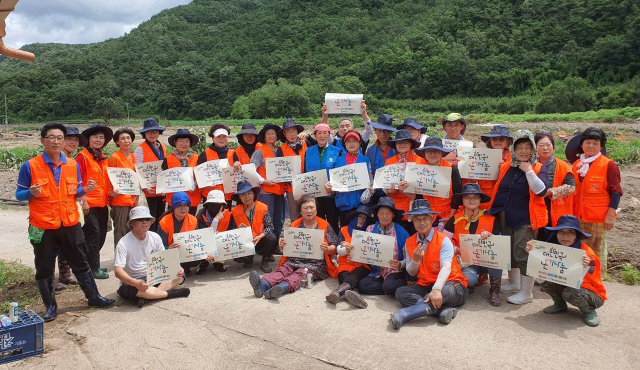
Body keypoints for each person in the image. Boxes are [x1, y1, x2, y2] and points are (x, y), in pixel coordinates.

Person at [16, 122, 114, 321]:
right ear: (42, 140)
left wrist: (85, 190)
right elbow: (19, 194)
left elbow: (75, 192)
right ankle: (51, 306)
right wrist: (30, 192)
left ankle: (94, 297)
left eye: (60, 138)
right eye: (52, 137)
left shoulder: (72, 165)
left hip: (69, 222)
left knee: (80, 261)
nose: (56, 141)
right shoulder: (30, 166)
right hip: (43, 225)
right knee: (44, 267)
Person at [488, 130, 549, 305]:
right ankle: (514, 283)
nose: (523, 151)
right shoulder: (507, 165)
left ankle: (526, 292)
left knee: (524, 253)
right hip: (505, 215)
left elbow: (542, 191)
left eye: (527, 147)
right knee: (509, 251)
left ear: (532, 149)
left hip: (526, 219)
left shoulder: (538, 167)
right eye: (519, 147)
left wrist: (529, 171)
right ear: (514, 149)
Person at [391, 199, 468, 329]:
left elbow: (446, 267)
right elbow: (412, 272)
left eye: (425, 218)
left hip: (451, 284)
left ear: (432, 219)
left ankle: (404, 314)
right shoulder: (409, 242)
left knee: (442, 292)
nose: (422, 223)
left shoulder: (444, 240)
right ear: (412, 220)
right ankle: (441, 311)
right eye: (417, 219)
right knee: (400, 292)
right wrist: (415, 259)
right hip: (426, 284)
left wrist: (437, 289)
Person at [248, 195, 339, 299]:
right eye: (305, 208)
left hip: (315, 264)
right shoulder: (294, 225)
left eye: (312, 207)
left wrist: (327, 249)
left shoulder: (324, 225)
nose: (309, 211)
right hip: (294, 259)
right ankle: (263, 285)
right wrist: (283, 244)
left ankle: (281, 288)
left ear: (316, 209)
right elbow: (288, 247)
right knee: (284, 269)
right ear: (300, 211)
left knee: (300, 274)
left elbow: (335, 247)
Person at [525, 215, 607, 326]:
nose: (565, 236)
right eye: (561, 231)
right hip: (566, 284)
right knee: (542, 279)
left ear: (577, 235)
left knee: (570, 292)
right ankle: (559, 304)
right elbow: (540, 266)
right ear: (556, 234)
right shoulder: (553, 249)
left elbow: (592, 271)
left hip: (591, 292)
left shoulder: (586, 252)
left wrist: (586, 265)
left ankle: (589, 311)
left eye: (570, 232)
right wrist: (533, 251)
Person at [569, 127, 622, 278]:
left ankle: (596, 283)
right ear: (582, 145)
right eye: (588, 142)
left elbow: (616, 192)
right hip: (578, 216)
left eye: (595, 143)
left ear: (601, 146)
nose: (591, 146)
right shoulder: (577, 165)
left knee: (597, 252)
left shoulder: (608, 165)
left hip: (598, 218)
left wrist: (610, 217)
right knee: (580, 250)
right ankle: (580, 281)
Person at [115, 206, 190, 308]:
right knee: (132, 289)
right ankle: (169, 294)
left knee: (180, 275)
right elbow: (118, 271)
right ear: (131, 223)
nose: (145, 222)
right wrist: (135, 282)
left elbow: (164, 258)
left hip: (155, 277)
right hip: (135, 279)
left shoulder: (155, 236)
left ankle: (148, 296)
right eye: (140, 220)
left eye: (147, 219)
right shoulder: (123, 243)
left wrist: (177, 268)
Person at [445, 183, 502, 306]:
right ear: (462, 200)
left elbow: (500, 245)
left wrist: (491, 237)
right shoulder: (454, 219)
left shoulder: (491, 219)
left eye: (475, 197)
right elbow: (444, 242)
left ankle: (495, 291)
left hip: (487, 260)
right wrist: (457, 250)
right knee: (469, 279)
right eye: (468, 197)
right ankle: (472, 281)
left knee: (498, 261)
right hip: (466, 261)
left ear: (480, 200)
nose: (472, 200)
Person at [76, 124, 113, 279]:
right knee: (93, 236)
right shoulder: (83, 156)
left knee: (102, 235)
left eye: (101, 137)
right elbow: (77, 181)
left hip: (102, 203)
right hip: (89, 203)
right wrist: (83, 201)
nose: (98, 140)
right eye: (95, 137)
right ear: (88, 140)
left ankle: (94, 263)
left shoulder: (101, 157)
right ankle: (92, 268)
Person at [52, 126, 86, 290]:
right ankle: (50, 280)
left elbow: (76, 187)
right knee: (53, 246)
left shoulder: (71, 162)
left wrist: (83, 198)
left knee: (66, 243)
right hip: (53, 211)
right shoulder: (55, 160)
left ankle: (65, 274)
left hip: (69, 209)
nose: (73, 142)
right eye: (69, 139)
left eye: (76, 140)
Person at [357, 197, 410, 297]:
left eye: (388, 213)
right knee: (362, 285)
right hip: (377, 271)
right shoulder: (370, 229)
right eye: (381, 213)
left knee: (389, 286)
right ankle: (387, 289)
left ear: (393, 215)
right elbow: (365, 251)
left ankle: (391, 287)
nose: (384, 216)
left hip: (394, 271)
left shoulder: (401, 232)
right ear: (377, 214)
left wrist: (400, 264)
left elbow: (409, 258)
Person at [327, 205, 373, 308]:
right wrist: (345, 249)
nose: (361, 220)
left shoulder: (369, 233)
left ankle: (338, 292)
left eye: (365, 218)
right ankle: (355, 294)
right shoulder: (344, 230)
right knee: (342, 276)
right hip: (345, 263)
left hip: (362, 264)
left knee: (355, 275)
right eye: (360, 217)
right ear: (355, 217)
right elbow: (338, 249)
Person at [229, 180, 277, 272]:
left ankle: (265, 261)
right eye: (243, 195)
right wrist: (238, 229)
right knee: (243, 261)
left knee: (272, 237)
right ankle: (248, 259)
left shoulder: (263, 207)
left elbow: (270, 227)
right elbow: (231, 230)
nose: (247, 197)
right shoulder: (235, 211)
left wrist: (260, 236)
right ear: (239, 197)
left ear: (254, 194)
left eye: (249, 193)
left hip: (260, 240)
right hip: (245, 242)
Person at [535, 131, 575, 241]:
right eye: (541, 145)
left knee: (552, 239)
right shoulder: (530, 165)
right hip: (535, 208)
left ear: (553, 146)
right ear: (535, 147)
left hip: (555, 209)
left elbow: (571, 187)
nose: (545, 148)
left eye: (548, 145)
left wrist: (550, 192)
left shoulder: (562, 165)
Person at [327, 130, 371, 226]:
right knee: (345, 228)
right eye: (348, 141)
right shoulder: (338, 161)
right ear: (344, 144)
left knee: (359, 230)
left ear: (359, 143)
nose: (351, 144)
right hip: (344, 202)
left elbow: (370, 180)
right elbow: (335, 180)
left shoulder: (366, 160)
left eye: (354, 141)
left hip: (361, 203)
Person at [414, 136, 462, 226]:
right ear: (424, 153)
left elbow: (457, 195)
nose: (432, 154)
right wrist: (403, 189)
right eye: (429, 151)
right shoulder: (419, 170)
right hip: (427, 215)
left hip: (448, 214)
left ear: (442, 153)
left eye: (436, 151)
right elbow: (417, 196)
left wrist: (451, 218)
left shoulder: (452, 169)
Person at [305, 122, 343, 233]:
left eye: (325, 133)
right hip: (314, 195)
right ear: (315, 135)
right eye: (319, 133)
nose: (322, 136)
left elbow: (340, 173)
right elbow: (304, 171)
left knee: (332, 221)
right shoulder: (308, 151)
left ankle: (333, 246)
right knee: (317, 221)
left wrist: (334, 188)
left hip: (330, 195)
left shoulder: (337, 151)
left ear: (329, 135)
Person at [383, 129, 423, 233]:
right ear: (395, 145)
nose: (402, 144)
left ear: (411, 144)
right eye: (399, 142)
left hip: (416, 208)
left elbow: (424, 187)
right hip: (396, 207)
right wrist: (389, 191)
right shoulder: (389, 162)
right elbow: (385, 185)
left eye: (405, 142)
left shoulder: (420, 160)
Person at [251, 123, 286, 240]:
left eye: (273, 133)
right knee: (267, 218)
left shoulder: (280, 151)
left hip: (280, 191)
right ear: (264, 137)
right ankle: (267, 245)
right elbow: (251, 170)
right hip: (266, 192)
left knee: (278, 219)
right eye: (268, 134)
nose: (271, 136)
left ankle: (275, 243)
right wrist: (263, 181)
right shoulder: (259, 152)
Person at [157, 192, 204, 277]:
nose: (183, 209)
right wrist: (169, 248)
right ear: (174, 207)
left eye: (185, 205)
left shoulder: (193, 220)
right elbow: (160, 245)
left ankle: (185, 268)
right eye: (179, 206)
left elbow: (196, 243)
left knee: (196, 260)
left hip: (186, 252)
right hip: (169, 253)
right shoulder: (164, 222)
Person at [134, 118, 168, 232]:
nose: (152, 134)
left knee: (161, 217)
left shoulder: (162, 146)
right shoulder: (140, 149)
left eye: (155, 131)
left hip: (161, 189)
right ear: (145, 134)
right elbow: (138, 170)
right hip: (149, 191)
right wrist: (144, 188)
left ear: (159, 133)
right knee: (150, 218)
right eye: (149, 132)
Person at [108, 128, 139, 249]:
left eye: (128, 138)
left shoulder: (132, 157)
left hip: (132, 200)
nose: (126, 141)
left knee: (131, 231)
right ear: (117, 142)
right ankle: (120, 260)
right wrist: (111, 193)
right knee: (120, 232)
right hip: (119, 201)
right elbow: (110, 178)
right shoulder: (115, 157)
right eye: (122, 139)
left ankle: (129, 258)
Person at [276, 119, 311, 222]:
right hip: (291, 189)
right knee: (295, 216)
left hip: (308, 186)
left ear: (298, 132)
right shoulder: (281, 149)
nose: (292, 134)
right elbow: (280, 171)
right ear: (284, 134)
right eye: (288, 132)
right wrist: (294, 183)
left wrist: (309, 136)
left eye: (294, 131)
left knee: (309, 214)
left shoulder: (306, 143)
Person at [471, 124, 513, 207]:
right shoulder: (481, 156)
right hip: (485, 199)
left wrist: (505, 167)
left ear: (508, 141)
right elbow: (473, 180)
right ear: (490, 141)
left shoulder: (513, 158)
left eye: (501, 139)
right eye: (494, 139)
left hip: (505, 199)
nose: (497, 141)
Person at [162, 129, 201, 215]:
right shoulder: (167, 159)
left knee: (190, 222)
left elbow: (201, 176)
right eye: (181, 141)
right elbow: (163, 177)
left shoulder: (196, 158)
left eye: (187, 141)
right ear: (175, 143)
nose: (184, 144)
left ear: (190, 144)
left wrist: (195, 184)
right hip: (174, 198)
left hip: (192, 197)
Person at [197, 123, 235, 207]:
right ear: (213, 138)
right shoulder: (204, 154)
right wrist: (205, 184)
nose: (222, 139)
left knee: (226, 217)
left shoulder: (233, 153)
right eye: (218, 137)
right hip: (210, 195)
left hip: (227, 195)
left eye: (224, 136)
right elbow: (198, 175)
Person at [195, 190, 231, 274]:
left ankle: (218, 263)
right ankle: (203, 262)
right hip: (205, 243)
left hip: (220, 242)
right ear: (207, 205)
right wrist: (215, 221)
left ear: (223, 205)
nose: (215, 206)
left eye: (218, 204)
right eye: (212, 204)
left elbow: (231, 233)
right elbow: (203, 235)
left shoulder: (229, 215)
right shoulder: (201, 215)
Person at [366, 114, 397, 204]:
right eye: (380, 130)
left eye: (386, 131)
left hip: (394, 193)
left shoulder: (398, 149)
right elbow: (369, 172)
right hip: (376, 194)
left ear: (391, 132)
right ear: (375, 131)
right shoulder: (370, 151)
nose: (383, 134)